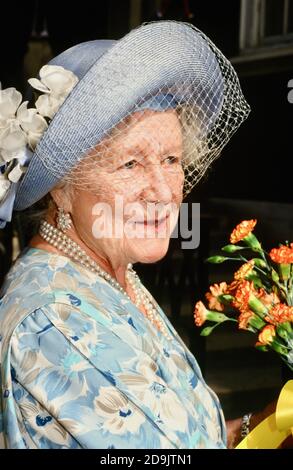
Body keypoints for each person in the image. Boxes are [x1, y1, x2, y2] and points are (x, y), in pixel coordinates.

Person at [0, 21, 252, 449]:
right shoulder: (54, 319)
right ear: (62, 188)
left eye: (171, 158)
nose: (161, 191)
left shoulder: (113, 274)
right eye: (130, 164)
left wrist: (260, 427)